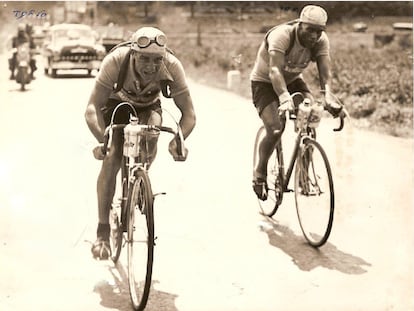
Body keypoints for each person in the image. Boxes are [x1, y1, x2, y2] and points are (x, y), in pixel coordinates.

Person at [85, 26, 196, 259]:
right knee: (113, 156)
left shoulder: (173, 66)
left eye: (157, 61)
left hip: (148, 106)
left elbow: (189, 115)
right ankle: (103, 231)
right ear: (133, 54)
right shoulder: (116, 60)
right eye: (144, 58)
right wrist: (102, 140)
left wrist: (179, 139)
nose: (151, 66)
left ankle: (139, 177)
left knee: (152, 134)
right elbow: (92, 108)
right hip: (116, 105)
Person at [250, 5, 342, 200]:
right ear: (300, 25)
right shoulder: (282, 35)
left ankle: (303, 176)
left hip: (292, 81)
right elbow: (274, 70)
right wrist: (283, 98)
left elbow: (325, 72)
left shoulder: (320, 41)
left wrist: (328, 96)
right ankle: (260, 173)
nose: (314, 36)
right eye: (310, 30)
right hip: (265, 82)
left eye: (319, 31)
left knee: (311, 117)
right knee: (275, 129)